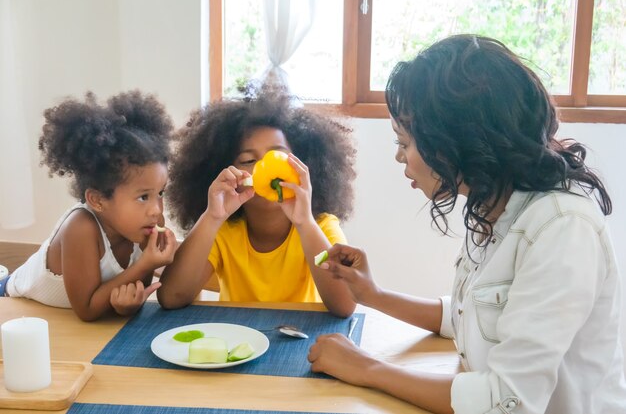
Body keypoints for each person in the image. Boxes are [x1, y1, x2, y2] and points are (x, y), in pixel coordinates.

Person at [307, 35, 626, 414]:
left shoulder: (561, 229)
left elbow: (509, 401)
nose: (398, 156)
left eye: (405, 142)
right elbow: (467, 316)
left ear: (457, 140)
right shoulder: (496, 201)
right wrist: (373, 295)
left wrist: (366, 368)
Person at [157, 90, 357, 317]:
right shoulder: (224, 232)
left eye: (277, 157)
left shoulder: (320, 227)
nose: (263, 167)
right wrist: (211, 217)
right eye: (248, 161)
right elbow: (170, 297)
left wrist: (304, 223)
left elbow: (345, 305)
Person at [3, 91, 177, 321]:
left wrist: (128, 305)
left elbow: (130, 292)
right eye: (143, 196)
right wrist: (146, 264)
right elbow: (87, 309)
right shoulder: (81, 228)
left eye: (160, 193)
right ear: (97, 200)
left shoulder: (147, 225)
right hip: (11, 306)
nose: (156, 209)